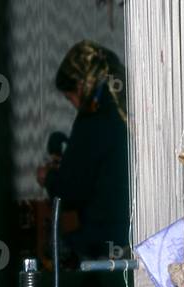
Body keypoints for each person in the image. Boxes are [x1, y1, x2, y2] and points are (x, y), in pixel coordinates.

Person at [36, 40, 130, 262]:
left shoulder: (93, 119)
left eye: (69, 98)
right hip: (134, 234)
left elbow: (69, 193)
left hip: (107, 241)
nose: (73, 105)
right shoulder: (124, 106)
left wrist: (48, 177)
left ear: (80, 86)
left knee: (52, 252)